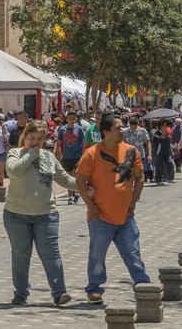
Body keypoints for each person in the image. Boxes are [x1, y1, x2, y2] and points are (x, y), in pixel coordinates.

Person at [76, 113, 150, 304]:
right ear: (106, 132)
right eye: (118, 128)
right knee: (97, 256)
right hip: (100, 217)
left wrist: (133, 202)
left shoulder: (131, 151)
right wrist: (91, 207)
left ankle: (143, 285)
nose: (122, 130)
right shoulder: (91, 153)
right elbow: (80, 180)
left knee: (133, 253)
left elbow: (139, 177)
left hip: (126, 216)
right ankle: (94, 289)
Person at [4, 121, 78, 306]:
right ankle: (21, 293)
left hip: (46, 214)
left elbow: (66, 180)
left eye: (40, 139)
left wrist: (88, 186)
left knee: (51, 254)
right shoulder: (15, 153)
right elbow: (13, 171)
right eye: (32, 138)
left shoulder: (49, 157)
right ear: (25, 137)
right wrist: (30, 154)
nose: (36, 142)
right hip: (16, 215)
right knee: (20, 255)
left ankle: (59, 292)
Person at [54, 110, 85, 205]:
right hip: (66, 157)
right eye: (70, 119)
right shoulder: (62, 130)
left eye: (73, 119)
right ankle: (70, 196)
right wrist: (60, 157)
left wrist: (82, 157)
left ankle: (77, 193)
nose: (71, 120)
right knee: (68, 177)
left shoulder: (79, 129)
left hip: (77, 156)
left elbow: (83, 143)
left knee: (75, 175)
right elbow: (58, 144)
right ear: (66, 119)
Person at [123, 117, 153, 183]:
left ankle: (138, 186)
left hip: (140, 155)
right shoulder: (125, 132)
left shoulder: (143, 131)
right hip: (128, 156)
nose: (133, 129)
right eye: (132, 127)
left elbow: (148, 143)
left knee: (139, 173)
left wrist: (150, 154)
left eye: (135, 127)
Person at [152, 119, 175, 185]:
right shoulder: (157, 133)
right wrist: (160, 138)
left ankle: (170, 178)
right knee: (159, 166)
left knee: (170, 163)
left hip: (167, 152)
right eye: (163, 124)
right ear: (160, 125)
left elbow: (168, 141)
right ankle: (158, 180)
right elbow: (154, 142)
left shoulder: (166, 133)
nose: (165, 125)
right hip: (159, 152)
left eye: (165, 124)